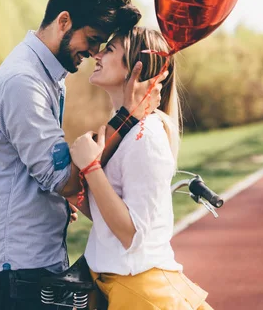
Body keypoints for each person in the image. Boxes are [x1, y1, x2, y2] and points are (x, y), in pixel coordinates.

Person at [0, 0, 167, 309]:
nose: (93, 53)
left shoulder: (48, 76)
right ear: (63, 21)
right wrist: (127, 117)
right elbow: (63, 179)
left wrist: (63, 200)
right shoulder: (24, 82)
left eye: (101, 45)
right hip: (16, 267)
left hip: (32, 262)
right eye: (91, 40)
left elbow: (55, 177)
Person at [69, 27, 213, 309]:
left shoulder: (146, 137)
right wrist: (76, 194)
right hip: (116, 283)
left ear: (136, 68)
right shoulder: (124, 130)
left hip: (141, 291)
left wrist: (91, 168)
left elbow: (131, 234)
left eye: (109, 50)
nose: (97, 54)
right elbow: (108, 217)